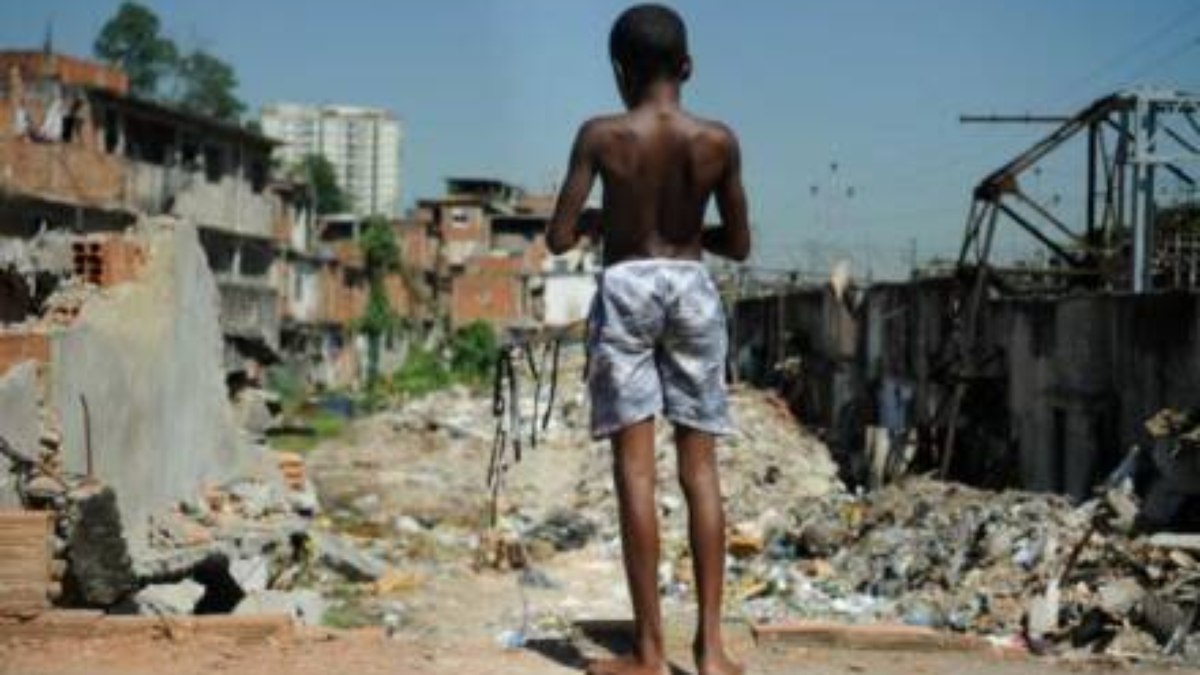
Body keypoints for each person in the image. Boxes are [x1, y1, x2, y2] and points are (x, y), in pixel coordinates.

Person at [545, 5, 750, 674]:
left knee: (635, 469)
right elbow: (741, 244)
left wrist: (612, 224)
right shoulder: (718, 140)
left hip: (628, 286)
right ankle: (712, 651)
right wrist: (690, 236)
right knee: (701, 470)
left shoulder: (601, 135)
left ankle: (650, 652)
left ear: (618, 71)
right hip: (691, 285)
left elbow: (558, 236)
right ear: (686, 67)